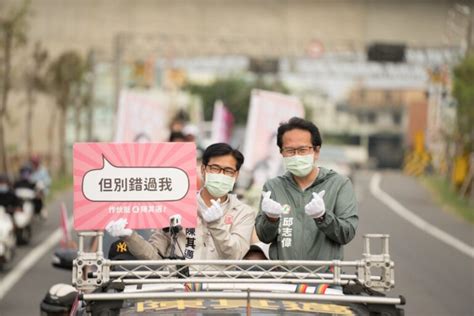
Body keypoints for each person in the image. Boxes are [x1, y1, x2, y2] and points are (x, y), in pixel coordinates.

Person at [105, 143, 255, 260]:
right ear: (203, 169)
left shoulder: (244, 212)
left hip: (224, 291)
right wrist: (130, 237)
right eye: (215, 168)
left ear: (236, 175)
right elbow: (154, 256)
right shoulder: (177, 206)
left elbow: (235, 255)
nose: (221, 175)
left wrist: (217, 225)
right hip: (177, 290)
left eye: (228, 171)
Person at [255, 117, 358, 261]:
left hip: (325, 279)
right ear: (281, 153)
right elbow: (264, 237)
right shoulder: (273, 187)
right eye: (290, 150)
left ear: (316, 151)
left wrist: (323, 217)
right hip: (284, 278)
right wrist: (270, 219)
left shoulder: (339, 184)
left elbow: (347, 233)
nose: (296, 156)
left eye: (303, 150)